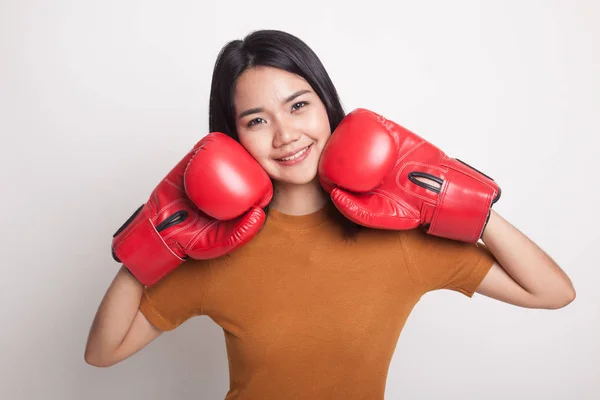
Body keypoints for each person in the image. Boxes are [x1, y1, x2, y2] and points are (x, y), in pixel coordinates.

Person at [85, 29, 576, 399]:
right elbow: (102, 353)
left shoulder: (400, 238)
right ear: (233, 140)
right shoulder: (216, 250)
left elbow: (553, 292)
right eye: (257, 120)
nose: (285, 134)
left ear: (327, 105)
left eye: (298, 106)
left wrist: (462, 198)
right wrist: (156, 237)